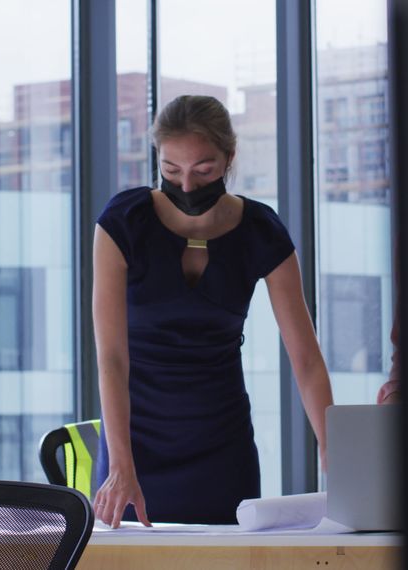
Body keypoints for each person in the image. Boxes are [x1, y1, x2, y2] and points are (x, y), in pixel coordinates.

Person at [91, 95, 334, 527]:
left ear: (229, 158)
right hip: (134, 444)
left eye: (203, 169)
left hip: (222, 447)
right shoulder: (123, 223)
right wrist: (120, 464)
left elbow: (307, 359)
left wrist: (332, 447)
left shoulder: (261, 231)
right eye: (171, 170)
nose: (186, 185)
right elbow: (111, 356)